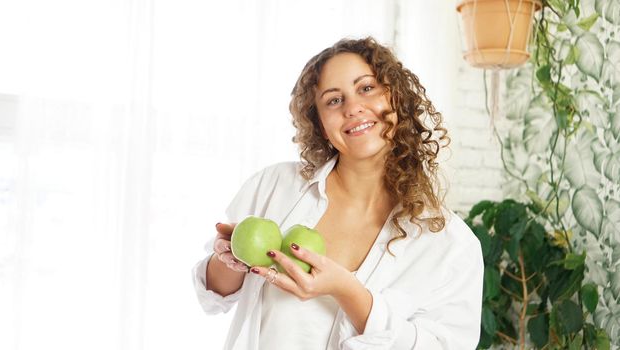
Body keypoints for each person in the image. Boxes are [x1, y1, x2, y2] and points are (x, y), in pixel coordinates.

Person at [192, 36, 484, 349]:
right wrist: (230, 259)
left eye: (366, 88)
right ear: (319, 123)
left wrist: (349, 292)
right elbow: (212, 297)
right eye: (334, 100)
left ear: (396, 97)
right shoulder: (275, 186)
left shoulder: (451, 245)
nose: (353, 108)